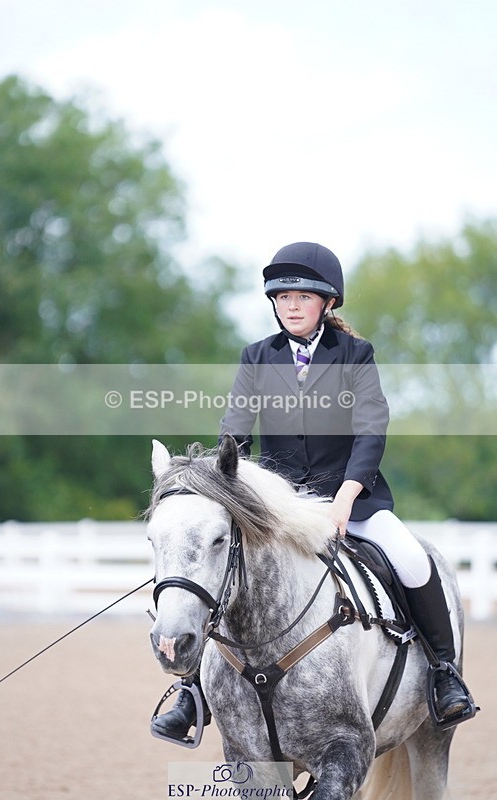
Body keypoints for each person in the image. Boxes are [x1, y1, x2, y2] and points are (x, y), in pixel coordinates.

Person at [152, 241, 474, 742]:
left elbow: (371, 431)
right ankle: (192, 692)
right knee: (222, 573)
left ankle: (443, 675)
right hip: (280, 509)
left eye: (303, 296)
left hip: (353, 502)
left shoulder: (355, 355)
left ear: (327, 303)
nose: (292, 305)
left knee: (412, 560)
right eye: (282, 298)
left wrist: (345, 497)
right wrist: (222, 475)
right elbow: (235, 432)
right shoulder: (257, 357)